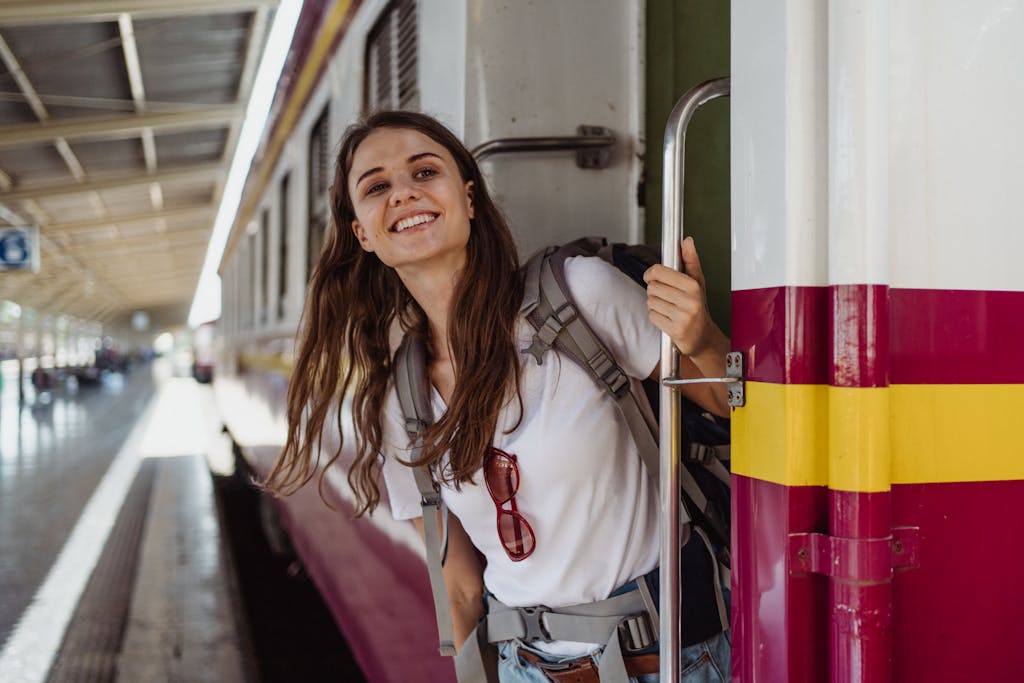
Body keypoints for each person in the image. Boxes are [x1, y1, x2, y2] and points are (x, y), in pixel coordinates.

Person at [266, 111, 732, 682]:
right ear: (362, 233)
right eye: (378, 186)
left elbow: (725, 403)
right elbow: (459, 586)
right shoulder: (400, 400)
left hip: (668, 660)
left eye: (425, 171)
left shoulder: (579, 296)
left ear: (467, 198)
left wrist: (703, 338)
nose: (405, 193)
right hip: (524, 671)